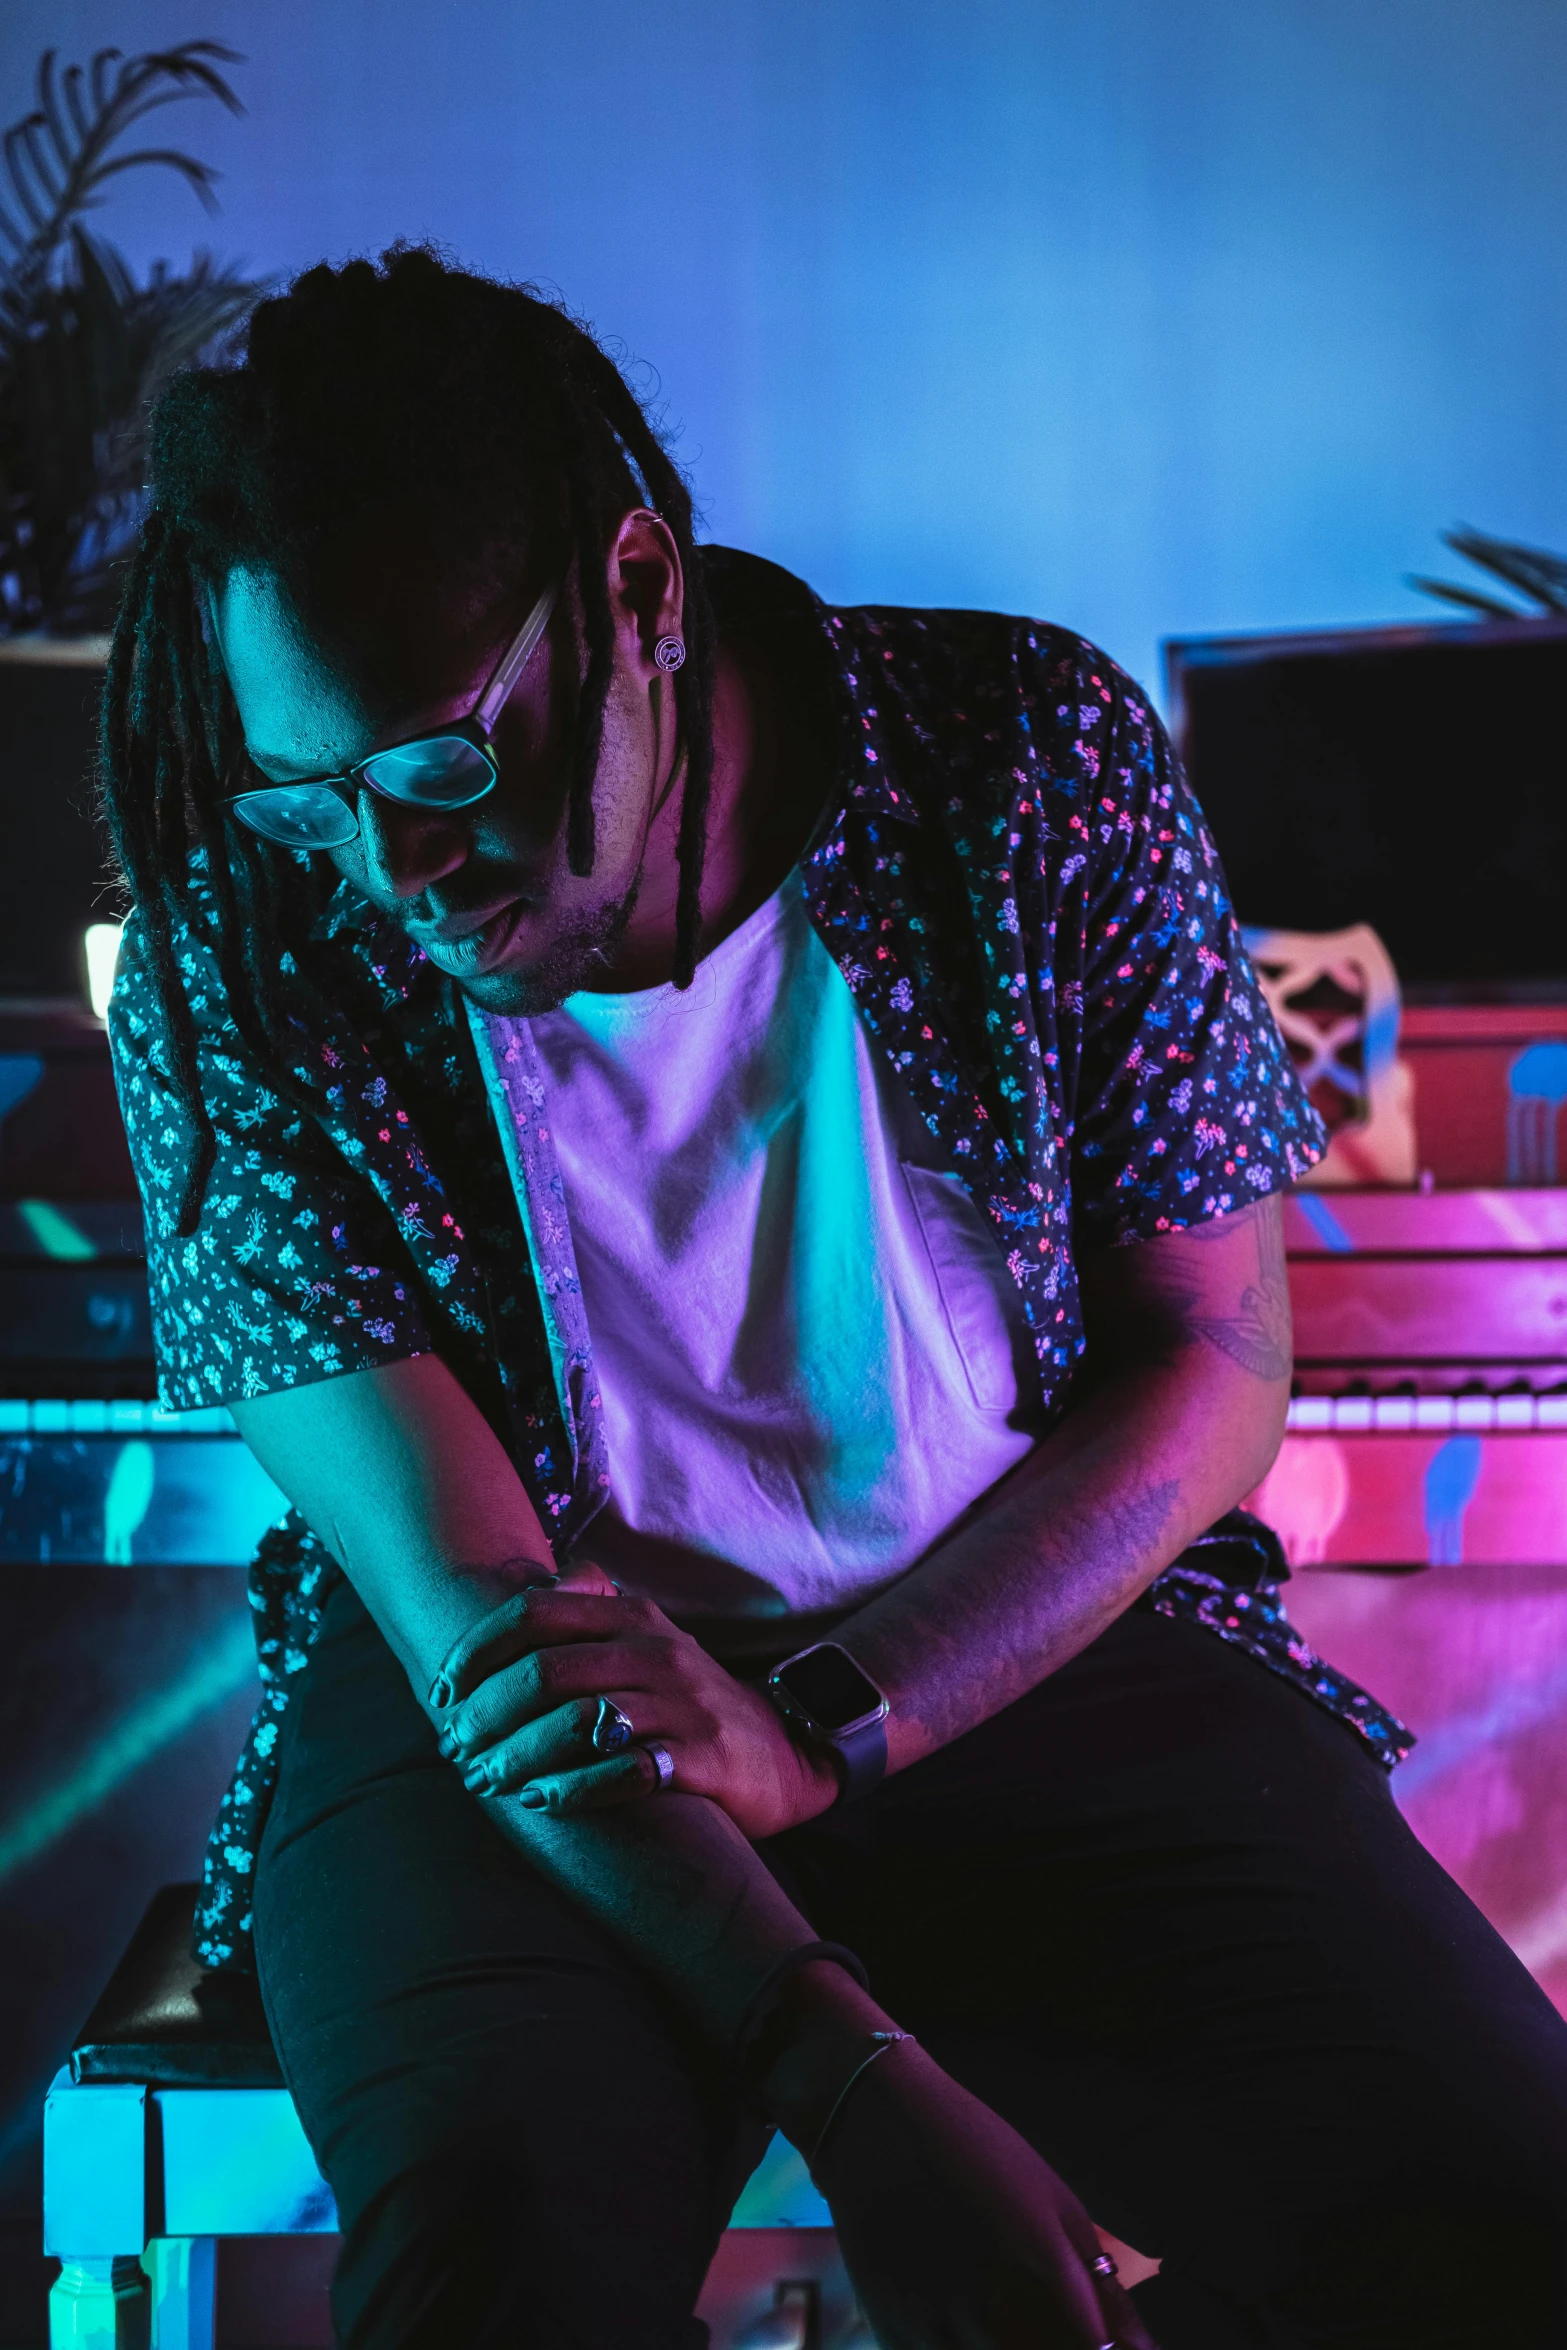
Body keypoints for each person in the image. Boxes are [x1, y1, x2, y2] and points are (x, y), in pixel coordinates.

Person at [104, 247, 1567, 2350]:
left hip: (1030, 1651)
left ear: (637, 591)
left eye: (439, 761)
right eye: (304, 792)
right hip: (491, 1743)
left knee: (1508, 2223)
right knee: (494, 2273)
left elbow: (1217, 1356)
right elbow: (487, 1641)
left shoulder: (1026, 759)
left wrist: (828, 1716)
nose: (391, 868)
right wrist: (867, 2096)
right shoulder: (244, 950)